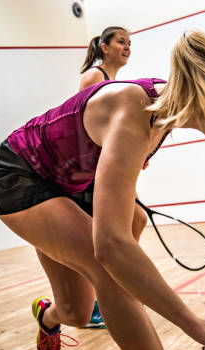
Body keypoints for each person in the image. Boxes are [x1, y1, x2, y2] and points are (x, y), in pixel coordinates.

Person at [0, 27, 205, 350]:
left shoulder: (162, 118)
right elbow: (111, 247)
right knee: (109, 269)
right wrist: (196, 326)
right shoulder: (134, 108)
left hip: (69, 184)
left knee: (76, 311)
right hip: (20, 174)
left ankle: (48, 316)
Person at [79, 26, 133, 329]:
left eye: (129, 43)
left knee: (135, 220)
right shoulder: (94, 77)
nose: (126, 47)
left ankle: (117, 285)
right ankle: (93, 304)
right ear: (104, 46)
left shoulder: (114, 81)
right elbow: (83, 125)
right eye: (121, 42)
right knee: (97, 241)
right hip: (88, 171)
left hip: (104, 167)